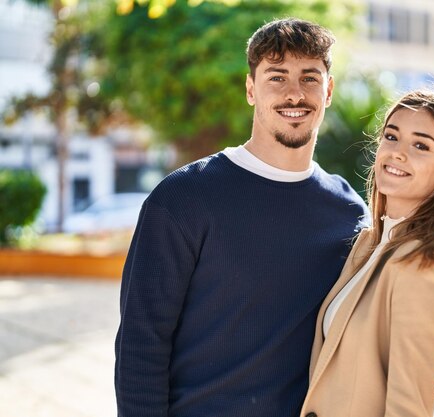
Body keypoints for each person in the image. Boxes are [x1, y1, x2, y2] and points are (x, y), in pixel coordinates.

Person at [114, 18, 368, 417]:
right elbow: (140, 346)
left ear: (329, 91)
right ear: (251, 89)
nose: (294, 94)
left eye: (309, 78)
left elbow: (377, 319)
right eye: (276, 77)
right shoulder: (183, 198)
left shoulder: (350, 212)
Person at [300, 89, 434, 417]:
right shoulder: (369, 243)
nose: (397, 152)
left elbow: (409, 406)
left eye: (421, 145)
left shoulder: (428, 266)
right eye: (392, 136)